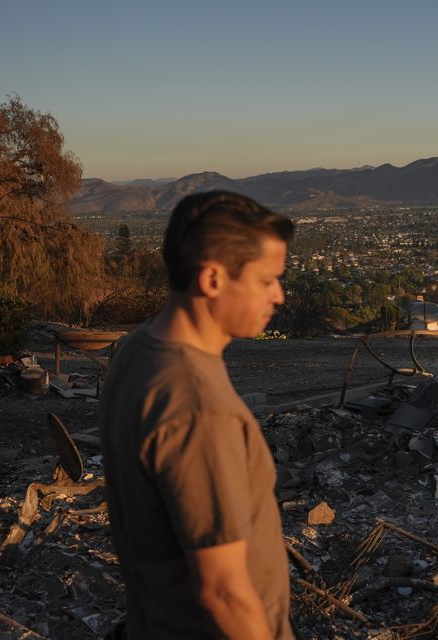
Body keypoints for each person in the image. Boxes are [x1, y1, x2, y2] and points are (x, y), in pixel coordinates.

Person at [100, 191, 295, 639]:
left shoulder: (137, 349)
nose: (279, 295)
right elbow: (222, 590)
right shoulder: (198, 408)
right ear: (212, 279)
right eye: (267, 280)